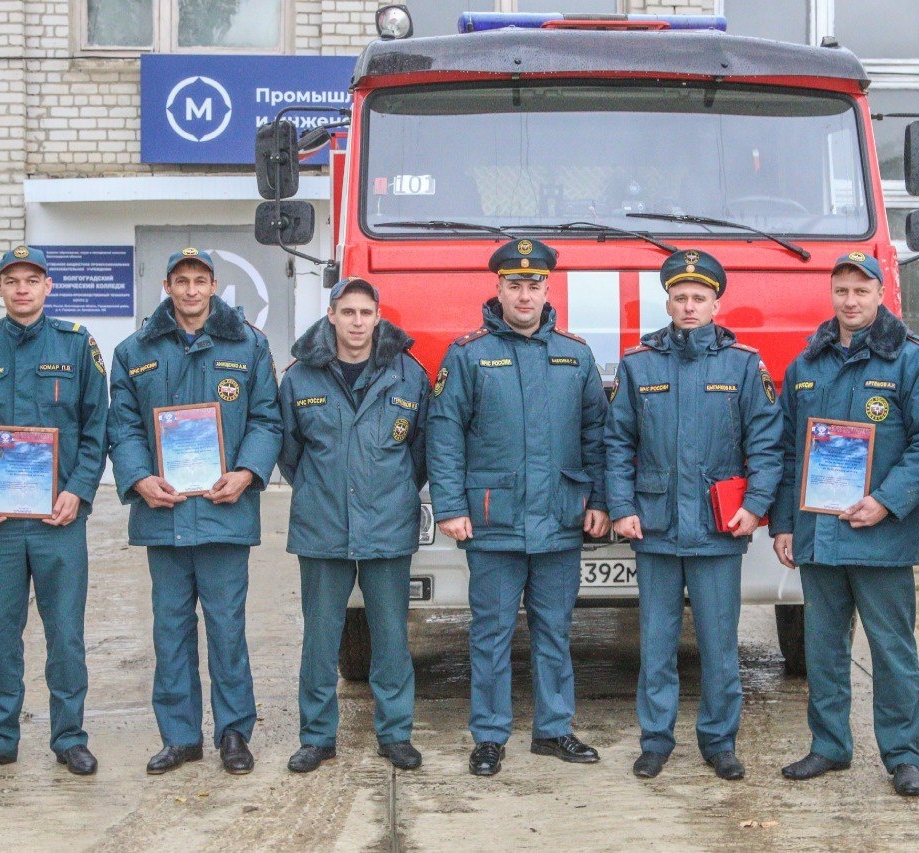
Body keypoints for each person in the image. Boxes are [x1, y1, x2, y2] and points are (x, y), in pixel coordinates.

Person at [427, 238, 609, 777]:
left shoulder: (575, 354)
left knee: (555, 629)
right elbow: (444, 434)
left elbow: (598, 432)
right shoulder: (468, 354)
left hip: (559, 518)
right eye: (514, 285)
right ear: (498, 289)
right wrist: (450, 506)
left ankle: (554, 729)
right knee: (491, 632)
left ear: (547, 289)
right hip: (492, 520)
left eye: (534, 285)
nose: (524, 294)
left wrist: (598, 499)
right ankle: (489, 735)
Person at [770, 252, 919, 797]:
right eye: (842, 291)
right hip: (819, 535)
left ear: (880, 295)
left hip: (880, 535)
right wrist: (783, 523)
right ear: (833, 295)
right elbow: (788, 451)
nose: (851, 301)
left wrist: (887, 501)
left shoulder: (912, 363)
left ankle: (902, 755)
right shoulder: (806, 365)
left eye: (861, 291)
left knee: (892, 649)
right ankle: (829, 746)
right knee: (822, 647)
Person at [604, 249, 783, 781]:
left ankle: (719, 741)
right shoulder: (639, 365)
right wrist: (621, 507)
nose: (688, 306)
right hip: (655, 527)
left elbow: (767, 445)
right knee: (656, 644)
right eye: (680, 297)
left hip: (717, 528)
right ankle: (656, 740)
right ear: (668, 301)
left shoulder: (743, 365)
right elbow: (617, 443)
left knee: (719, 646)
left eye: (698, 298)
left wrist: (755, 506)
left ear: (715, 303)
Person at [107, 248, 281, 776]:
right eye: (180, 281)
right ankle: (181, 736)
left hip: (225, 513)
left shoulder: (249, 345)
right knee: (171, 630)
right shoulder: (134, 350)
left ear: (214, 286)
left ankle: (234, 734)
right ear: (167, 286)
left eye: (199, 280)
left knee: (228, 629)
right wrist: (139, 479)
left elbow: (267, 419)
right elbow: (124, 426)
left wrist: (247, 473)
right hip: (164, 513)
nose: (189, 290)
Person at [0, 245, 108, 777]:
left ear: (48, 286)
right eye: (11, 279)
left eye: (31, 279)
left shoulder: (76, 345)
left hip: (59, 519)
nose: (21, 288)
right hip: (0, 522)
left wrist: (77, 491)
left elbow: (96, 426)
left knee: (65, 634)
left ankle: (69, 737)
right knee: (0, 634)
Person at [277, 277, 429, 774]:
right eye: (347, 313)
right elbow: (290, 454)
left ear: (378, 317)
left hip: (387, 525)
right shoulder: (300, 378)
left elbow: (420, 454)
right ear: (332, 316)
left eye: (365, 313)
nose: (357, 322)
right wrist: (331, 489)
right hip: (322, 525)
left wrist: (383, 490)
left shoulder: (410, 375)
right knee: (321, 640)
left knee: (391, 639)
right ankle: (317, 738)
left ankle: (395, 734)